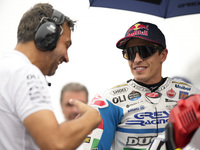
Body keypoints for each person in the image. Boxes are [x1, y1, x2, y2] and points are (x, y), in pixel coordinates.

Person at [83, 21, 200, 150]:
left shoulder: (191, 95)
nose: (137, 60)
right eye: (130, 53)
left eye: (144, 51)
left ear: (163, 55)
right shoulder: (109, 101)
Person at [0, 3, 101, 150]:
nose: (67, 58)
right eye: (66, 45)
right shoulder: (26, 73)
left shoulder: (6, 68)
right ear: (48, 36)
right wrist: (92, 117)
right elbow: (57, 143)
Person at [60, 82, 89, 150]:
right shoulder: (48, 140)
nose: (75, 110)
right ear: (61, 106)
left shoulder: (101, 137)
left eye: (81, 103)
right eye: (69, 105)